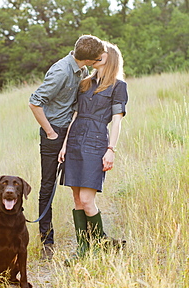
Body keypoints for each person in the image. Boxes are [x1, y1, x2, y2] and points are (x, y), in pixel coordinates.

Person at [29, 35, 107, 260]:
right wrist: (51, 133)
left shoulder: (81, 70)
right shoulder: (62, 71)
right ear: (90, 58)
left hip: (72, 132)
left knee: (79, 184)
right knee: (48, 185)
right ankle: (47, 240)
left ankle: (94, 238)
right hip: (54, 133)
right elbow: (35, 102)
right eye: (98, 55)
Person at [58, 41, 128, 260]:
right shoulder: (85, 83)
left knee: (88, 200)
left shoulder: (118, 86)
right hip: (76, 140)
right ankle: (82, 249)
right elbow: (75, 116)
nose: (99, 54)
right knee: (77, 200)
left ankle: (97, 246)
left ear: (111, 57)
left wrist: (111, 150)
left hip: (96, 142)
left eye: (103, 52)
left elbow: (117, 121)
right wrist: (64, 144)